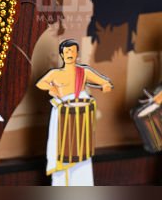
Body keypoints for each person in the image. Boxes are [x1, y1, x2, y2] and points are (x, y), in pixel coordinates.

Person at [36, 39, 113, 186]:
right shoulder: (55, 73)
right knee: (61, 152)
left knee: (81, 154)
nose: (69, 54)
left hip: (80, 116)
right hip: (63, 115)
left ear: (77, 54)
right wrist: (52, 89)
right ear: (62, 55)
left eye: (72, 51)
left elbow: (104, 82)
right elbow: (41, 83)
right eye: (66, 51)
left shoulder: (84, 72)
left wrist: (106, 85)